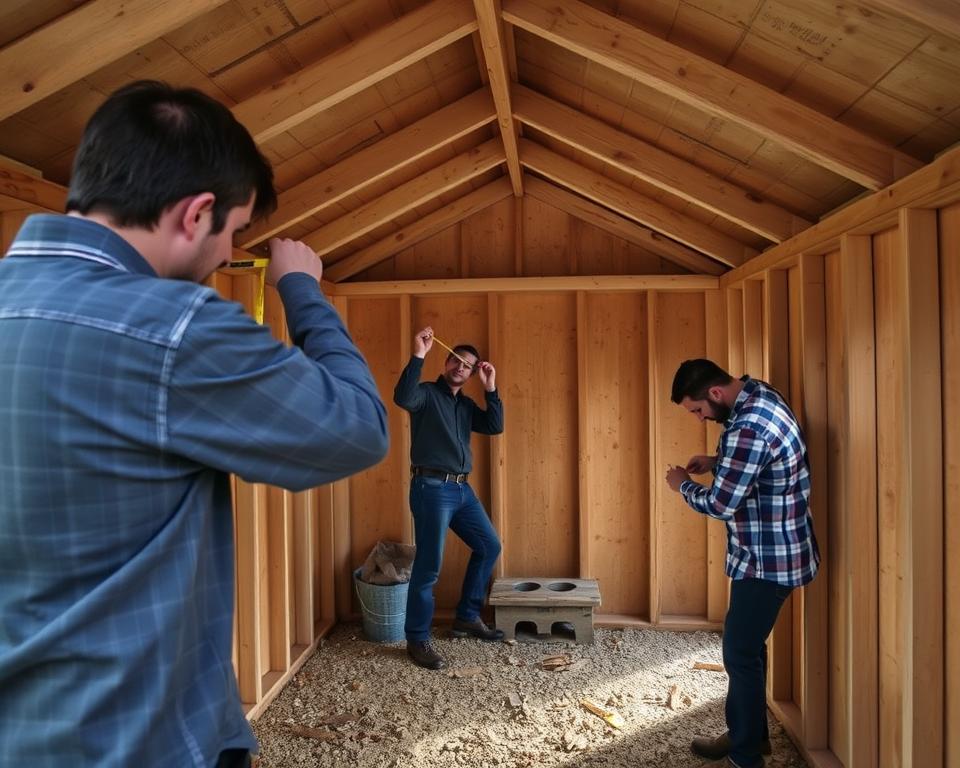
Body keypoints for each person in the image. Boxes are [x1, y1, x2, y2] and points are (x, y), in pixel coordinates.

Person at [0, 81, 389, 768]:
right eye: (235, 233)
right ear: (197, 213)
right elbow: (357, 427)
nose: (226, 254)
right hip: (138, 741)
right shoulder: (172, 330)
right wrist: (301, 289)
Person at [665, 359, 819, 768]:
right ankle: (747, 736)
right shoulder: (758, 393)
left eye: (697, 410)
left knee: (739, 652)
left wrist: (682, 484)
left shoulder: (749, 427)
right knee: (746, 649)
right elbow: (762, 462)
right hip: (772, 550)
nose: (700, 418)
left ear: (715, 393)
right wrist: (717, 462)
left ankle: (746, 755)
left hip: (767, 560)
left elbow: (720, 504)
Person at [393, 326, 504, 670]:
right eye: (457, 360)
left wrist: (491, 388)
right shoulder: (426, 394)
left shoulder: (466, 405)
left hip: (461, 490)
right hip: (431, 489)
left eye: (468, 365)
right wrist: (418, 354)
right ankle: (416, 638)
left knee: (489, 546)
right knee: (429, 567)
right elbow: (402, 397)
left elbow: (494, 425)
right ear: (446, 362)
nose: (461, 367)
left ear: (472, 373)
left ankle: (467, 617)